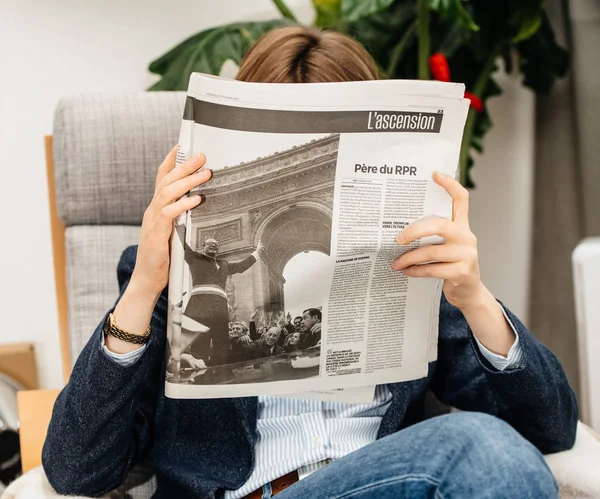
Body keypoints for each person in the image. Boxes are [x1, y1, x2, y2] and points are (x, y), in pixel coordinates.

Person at [42, 26, 576, 499]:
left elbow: (552, 428)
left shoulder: (415, 266)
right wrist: (144, 288)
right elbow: (75, 469)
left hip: (381, 481)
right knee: (479, 448)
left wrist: (474, 298)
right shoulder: (161, 277)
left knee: (495, 454)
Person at [182, 236, 263, 366]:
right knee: (200, 345)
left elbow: (241, 267)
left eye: (216, 244)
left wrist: (257, 253)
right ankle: (199, 376)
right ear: (203, 247)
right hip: (200, 307)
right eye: (210, 244)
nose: (214, 245)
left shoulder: (224, 264)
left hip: (220, 309)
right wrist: (176, 224)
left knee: (222, 346)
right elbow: (184, 246)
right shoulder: (195, 258)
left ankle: (220, 375)